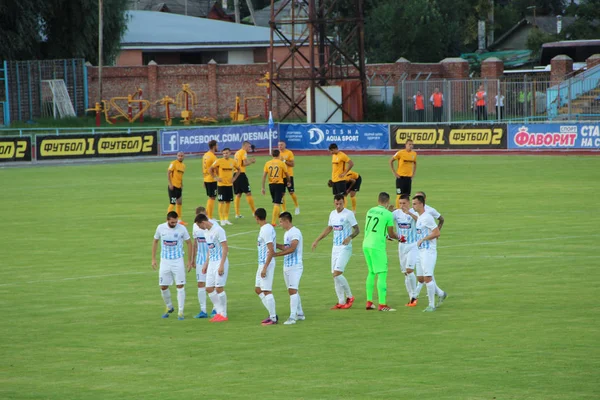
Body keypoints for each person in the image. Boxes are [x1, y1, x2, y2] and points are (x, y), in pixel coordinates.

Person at [312, 194, 360, 309]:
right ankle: (341, 302)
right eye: (336, 204)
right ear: (334, 203)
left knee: (337, 273)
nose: (338, 206)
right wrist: (317, 240)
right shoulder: (332, 214)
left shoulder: (348, 214)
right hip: (335, 248)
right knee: (335, 276)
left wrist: (350, 237)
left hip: (345, 247)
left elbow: (357, 229)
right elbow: (329, 228)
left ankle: (350, 296)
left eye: (340, 204)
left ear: (344, 202)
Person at [152, 211, 192, 320]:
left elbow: (189, 243)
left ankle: (180, 312)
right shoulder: (160, 228)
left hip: (178, 260)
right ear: (167, 220)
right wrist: (153, 259)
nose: (174, 224)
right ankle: (169, 307)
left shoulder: (182, 229)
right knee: (163, 286)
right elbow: (155, 241)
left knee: (180, 285)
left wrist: (189, 260)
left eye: (176, 222)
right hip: (165, 261)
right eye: (172, 222)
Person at [363, 192, 398, 311]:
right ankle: (382, 304)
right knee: (382, 273)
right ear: (388, 201)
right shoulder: (388, 215)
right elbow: (391, 233)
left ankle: (369, 302)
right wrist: (400, 238)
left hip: (366, 244)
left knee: (371, 272)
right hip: (377, 246)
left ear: (378, 200)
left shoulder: (370, 210)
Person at [412, 195, 447, 312]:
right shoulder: (420, 217)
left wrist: (424, 239)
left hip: (428, 251)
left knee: (427, 277)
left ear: (421, 204)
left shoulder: (427, 217)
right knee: (422, 277)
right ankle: (441, 293)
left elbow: (437, 233)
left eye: (415, 204)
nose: (413, 206)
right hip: (421, 251)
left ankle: (431, 305)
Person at [271, 212, 305, 325]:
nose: (280, 224)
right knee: (292, 290)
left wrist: (276, 255)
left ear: (287, 221)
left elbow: (292, 248)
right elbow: (286, 247)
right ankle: (300, 313)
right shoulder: (287, 234)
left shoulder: (295, 232)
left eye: (281, 222)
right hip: (287, 266)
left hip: (295, 266)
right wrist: (275, 244)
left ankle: (292, 317)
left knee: (292, 290)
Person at [195, 213, 230, 322]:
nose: (199, 228)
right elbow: (210, 249)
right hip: (212, 263)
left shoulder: (218, 230)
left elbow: (225, 248)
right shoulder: (206, 232)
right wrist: (206, 263)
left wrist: (221, 265)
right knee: (209, 288)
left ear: (203, 222)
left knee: (219, 288)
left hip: (220, 261)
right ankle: (219, 312)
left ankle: (224, 313)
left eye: (199, 225)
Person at [392, 194, 419, 307]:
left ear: (408, 203)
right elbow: (387, 221)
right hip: (402, 246)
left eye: (404, 203)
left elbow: (420, 220)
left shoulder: (414, 212)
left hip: (413, 245)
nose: (402, 205)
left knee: (409, 270)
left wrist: (410, 213)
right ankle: (410, 297)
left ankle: (414, 296)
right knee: (405, 273)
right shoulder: (396, 213)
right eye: (400, 203)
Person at [191, 206, 217, 319]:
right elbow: (195, 243)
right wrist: (192, 259)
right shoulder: (195, 227)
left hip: (212, 259)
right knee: (200, 284)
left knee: (213, 285)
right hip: (200, 260)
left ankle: (216, 308)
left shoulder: (213, 225)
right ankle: (203, 310)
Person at [254, 208, 278, 325]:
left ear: (256, 217)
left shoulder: (266, 230)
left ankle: (273, 318)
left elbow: (271, 249)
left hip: (266, 263)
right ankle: (271, 313)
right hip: (261, 263)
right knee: (258, 289)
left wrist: (265, 268)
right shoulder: (267, 228)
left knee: (267, 290)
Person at [209, 148, 240, 226]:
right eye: (224, 153)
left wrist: (234, 178)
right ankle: (221, 219)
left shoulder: (233, 162)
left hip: (229, 185)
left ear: (230, 153)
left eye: (226, 153)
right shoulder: (219, 161)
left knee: (228, 201)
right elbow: (210, 169)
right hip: (221, 185)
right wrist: (215, 177)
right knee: (221, 201)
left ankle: (226, 219)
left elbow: (239, 170)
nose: (225, 154)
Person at [262, 149, 290, 226]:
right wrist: (289, 181)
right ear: (279, 155)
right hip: (279, 184)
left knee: (276, 202)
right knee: (277, 203)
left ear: (272, 155)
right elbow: (287, 174)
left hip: (271, 185)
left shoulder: (267, 163)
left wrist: (263, 187)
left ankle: (279, 218)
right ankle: (273, 222)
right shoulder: (281, 163)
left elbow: (264, 176)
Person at [389, 139, 417, 209]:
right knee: (399, 195)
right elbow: (391, 161)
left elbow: (415, 163)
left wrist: (413, 174)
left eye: (412, 144)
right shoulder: (400, 153)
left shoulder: (414, 154)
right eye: (409, 144)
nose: (411, 146)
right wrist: (394, 173)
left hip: (408, 178)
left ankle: (406, 209)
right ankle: (398, 209)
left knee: (407, 196)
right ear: (406, 145)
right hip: (400, 178)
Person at [233, 141, 257, 219]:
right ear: (245, 146)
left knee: (238, 194)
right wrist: (251, 161)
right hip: (241, 174)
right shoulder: (243, 152)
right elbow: (244, 163)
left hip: (235, 174)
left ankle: (237, 214)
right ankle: (254, 212)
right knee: (248, 193)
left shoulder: (237, 152)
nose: (249, 148)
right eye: (249, 147)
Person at [278, 141, 300, 215]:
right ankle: (284, 210)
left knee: (291, 192)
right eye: (279, 145)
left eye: (281, 145)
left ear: (285, 145)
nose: (280, 146)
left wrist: (284, 161)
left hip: (288, 176)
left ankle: (297, 206)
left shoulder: (289, 153)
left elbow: (292, 164)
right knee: (282, 193)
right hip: (280, 176)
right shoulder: (277, 154)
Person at [167, 152, 187, 225]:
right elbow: (168, 172)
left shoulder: (183, 165)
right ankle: (168, 219)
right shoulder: (173, 163)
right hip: (173, 186)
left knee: (179, 202)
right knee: (172, 203)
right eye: (179, 156)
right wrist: (170, 184)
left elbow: (180, 176)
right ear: (177, 156)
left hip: (179, 186)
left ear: (184, 157)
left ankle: (179, 219)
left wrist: (181, 184)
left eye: (182, 156)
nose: (180, 157)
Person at [202, 140, 218, 220]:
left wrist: (203, 180)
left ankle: (207, 215)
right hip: (211, 179)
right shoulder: (213, 157)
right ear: (214, 146)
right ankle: (210, 217)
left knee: (210, 197)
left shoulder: (205, 155)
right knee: (212, 197)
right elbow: (212, 169)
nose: (217, 147)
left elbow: (204, 168)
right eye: (217, 145)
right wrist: (215, 177)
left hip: (206, 178)